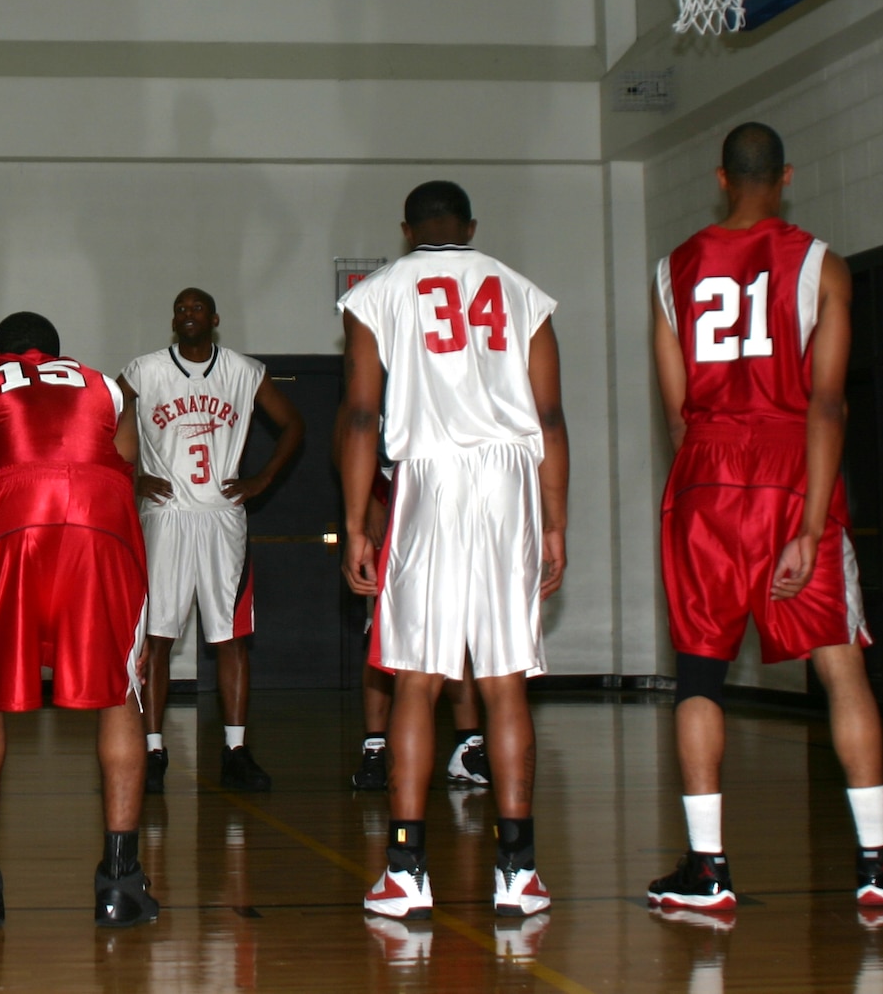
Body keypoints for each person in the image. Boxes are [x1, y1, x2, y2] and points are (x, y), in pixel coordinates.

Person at [647, 123, 883, 911]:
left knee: (699, 671)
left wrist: (704, 490)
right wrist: (807, 521)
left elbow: (675, 412)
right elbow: (827, 401)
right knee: (839, 666)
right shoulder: (822, 263)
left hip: (705, 470)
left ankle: (709, 870)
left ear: (721, 178)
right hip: (791, 465)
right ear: (785, 177)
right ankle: (878, 863)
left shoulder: (671, 271)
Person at [337, 180, 568, 920]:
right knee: (504, 681)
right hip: (509, 478)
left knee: (417, 679)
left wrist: (356, 523)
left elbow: (363, 412)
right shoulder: (521, 291)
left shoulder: (377, 293)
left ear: (406, 229)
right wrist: (556, 521)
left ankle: (406, 870)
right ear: (471, 226)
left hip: (430, 477)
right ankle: (518, 871)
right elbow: (552, 417)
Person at [0, 311, 157, 929]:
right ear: (61, 357)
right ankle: (121, 883)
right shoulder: (112, 387)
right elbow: (124, 470)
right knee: (123, 691)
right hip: (102, 522)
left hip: (13, 519)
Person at [119, 287, 304, 794]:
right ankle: (153, 751)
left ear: (215, 318)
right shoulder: (145, 370)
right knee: (157, 637)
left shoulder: (243, 372)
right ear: (172, 319)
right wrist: (129, 476)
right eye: (179, 307)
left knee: (231, 636)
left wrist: (261, 480)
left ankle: (236, 749)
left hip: (222, 515)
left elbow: (293, 424)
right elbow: (105, 419)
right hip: (166, 515)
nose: (187, 313)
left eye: (196, 307)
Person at [347, 461, 491, 793]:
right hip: (391, 495)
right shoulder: (374, 407)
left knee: (459, 625)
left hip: (451, 494)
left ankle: (468, 746)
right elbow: (350, 439)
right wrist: (366, 504)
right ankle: (375, 749)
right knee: (386, 634)